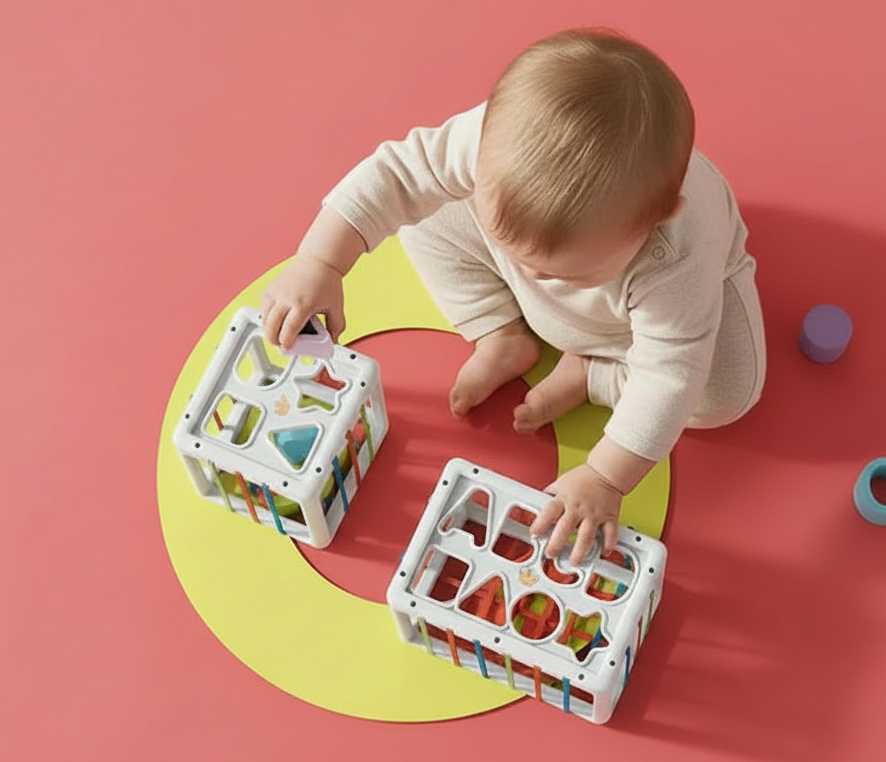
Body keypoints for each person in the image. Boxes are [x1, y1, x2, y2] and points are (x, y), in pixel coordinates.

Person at [261, 28, 766, 565]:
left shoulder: (675, 256)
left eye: (563, 274)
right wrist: (320, 262)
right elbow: (397, 175)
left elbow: (670, 371)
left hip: (638, 329)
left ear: (651, 224)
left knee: (726, 391)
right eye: (524, 260)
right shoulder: (488, 142)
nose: (536, 278)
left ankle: (594, 374)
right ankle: (498, 331)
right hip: (554, 259)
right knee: (421, 215)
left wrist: (604, 476)